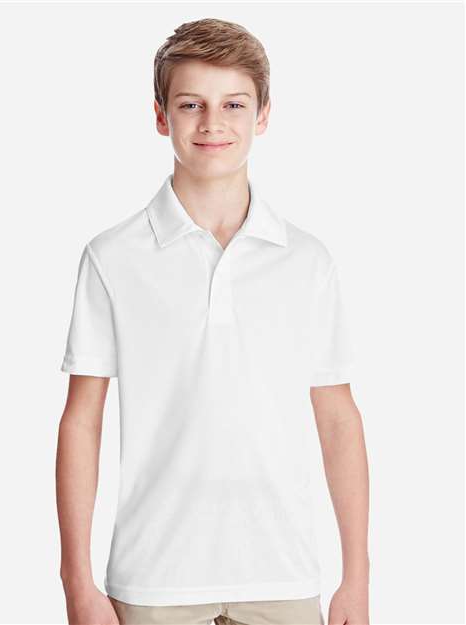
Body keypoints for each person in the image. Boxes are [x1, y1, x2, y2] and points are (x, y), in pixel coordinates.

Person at [56, 17, 370, 625]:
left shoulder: (307, 261)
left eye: (233, 104)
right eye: (191, 104)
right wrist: (77, 582)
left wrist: (356, 577)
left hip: (282, 575)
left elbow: (338, 418)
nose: (212, 123)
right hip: (152, 581)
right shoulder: (112, 257)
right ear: (161, 116)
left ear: (263, 115)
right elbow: (81, 420)